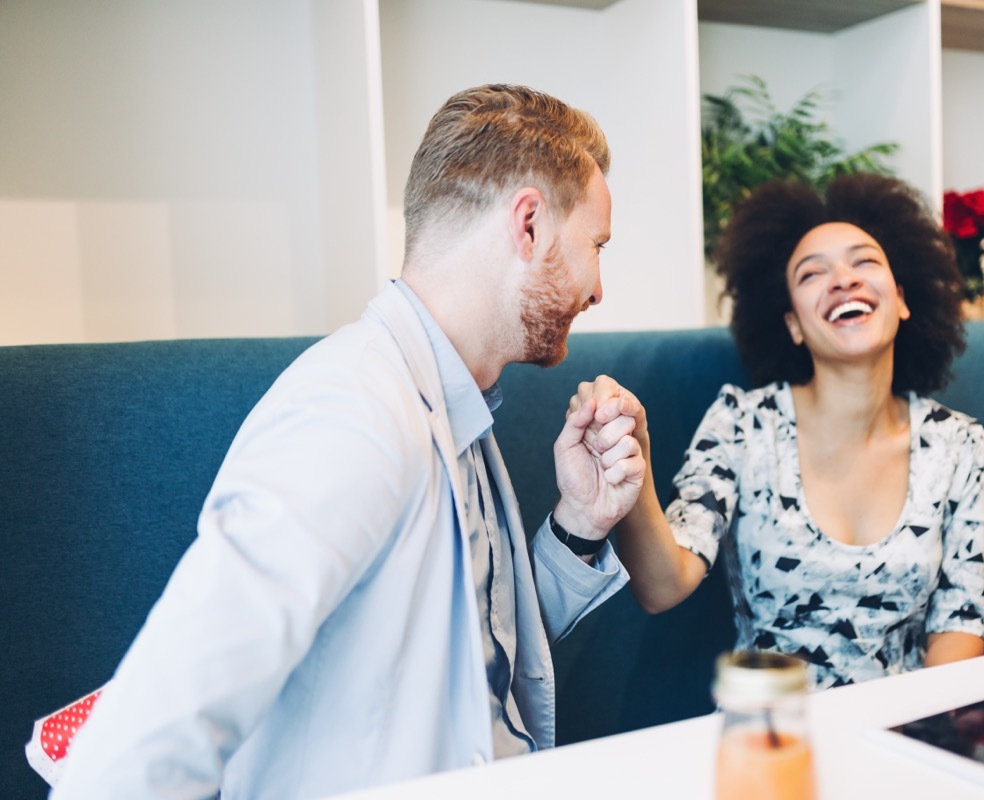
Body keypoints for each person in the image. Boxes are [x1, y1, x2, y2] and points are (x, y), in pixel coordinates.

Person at [49, 84, 645, 799]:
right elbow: (159, 718)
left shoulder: (453, 403)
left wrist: (580, 527)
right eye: (596, 246)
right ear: (528, 225)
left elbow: (467, 646)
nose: (598, 287)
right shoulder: (352, 408)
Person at [575, 174, 984, 690]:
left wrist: (927, 743)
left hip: (905, 737)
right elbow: (662, 585)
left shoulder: (959, 444)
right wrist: (629, 462)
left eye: (864, 261)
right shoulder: (742, 426)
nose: (844, 279)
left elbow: (959, 624)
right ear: (793, 324)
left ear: (904, 300)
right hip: (773, 737)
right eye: (812, 273)